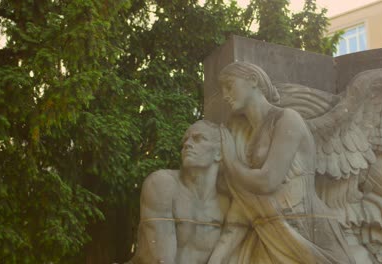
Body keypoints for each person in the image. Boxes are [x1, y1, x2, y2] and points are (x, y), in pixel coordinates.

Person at [208, 62, 355, 264]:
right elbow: (247, 200)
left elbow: (268, 181)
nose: (225, 95)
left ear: (253, 80)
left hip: (307, 226)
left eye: (229, 85)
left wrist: (231, 162)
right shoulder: (250, 138)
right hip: (273, 226)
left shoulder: (287, 119)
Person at [129, 120, 229, 264]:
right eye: (185, 141)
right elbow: (161, 259)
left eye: (198, 138)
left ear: (219, 153)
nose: (187, 144)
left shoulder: (226, 204)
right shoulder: (162, 184)